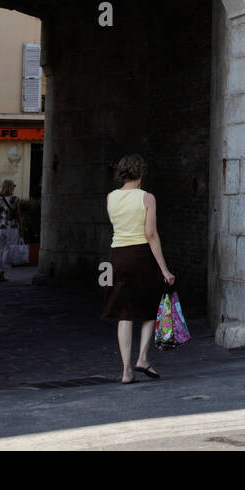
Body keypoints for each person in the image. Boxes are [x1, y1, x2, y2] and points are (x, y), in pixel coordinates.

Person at [103, 153, 175, 384]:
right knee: (149, 308)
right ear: (140, 173)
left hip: (117, 256)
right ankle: (142, 358)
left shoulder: (111, 197)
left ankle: (126, 371)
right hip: (141, 256)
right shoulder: (147, 198)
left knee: (124, 314)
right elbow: (151, 235)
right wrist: (164, 269)